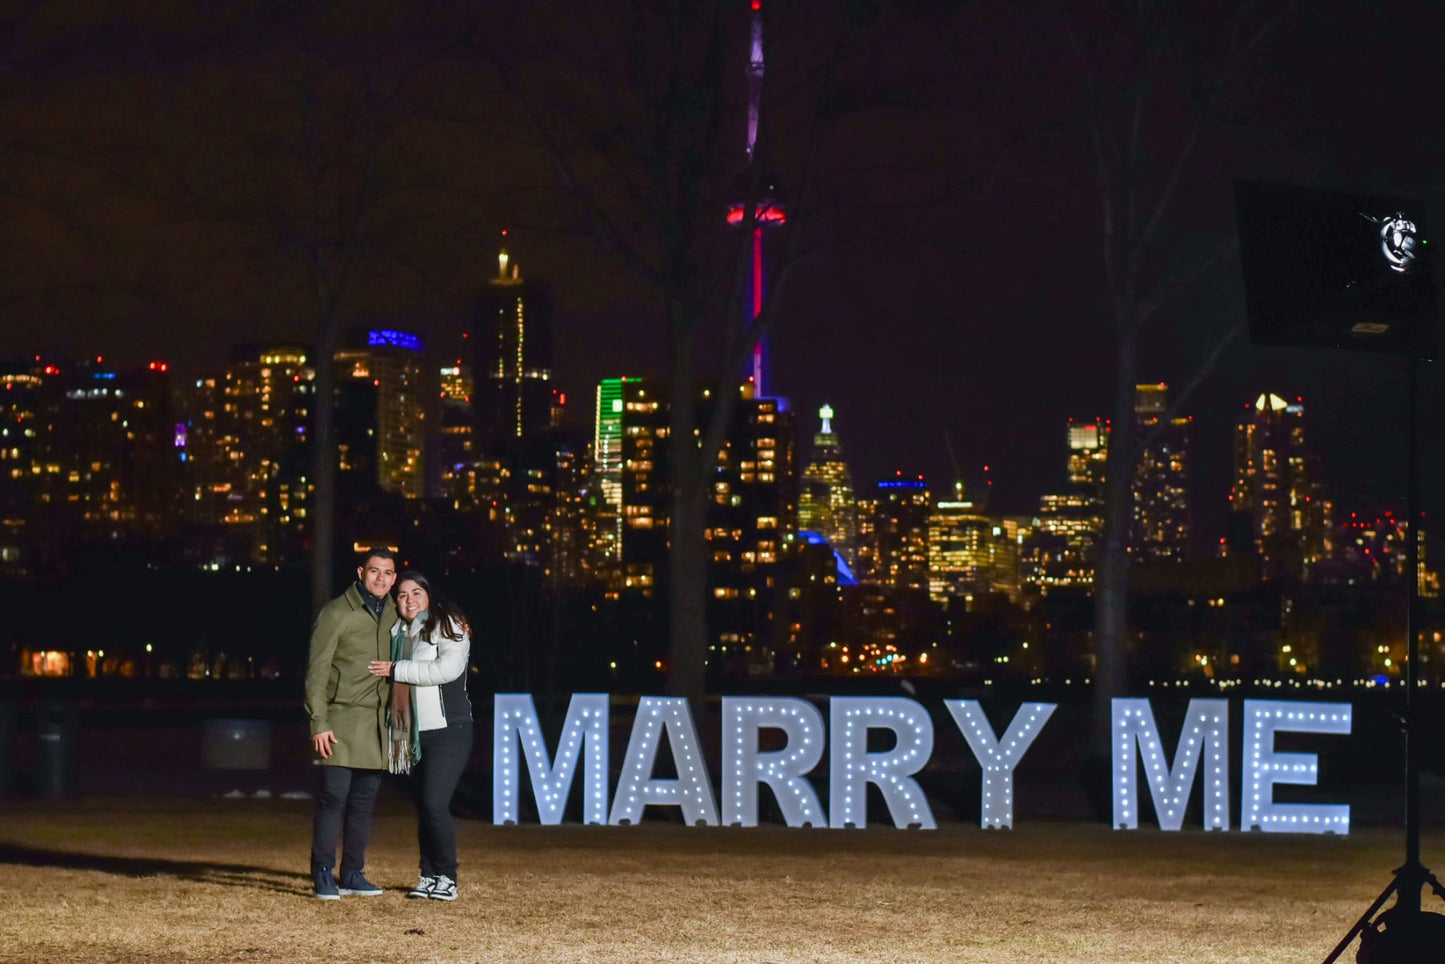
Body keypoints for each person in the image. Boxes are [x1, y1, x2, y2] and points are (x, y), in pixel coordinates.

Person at [369, 570, 473, 902]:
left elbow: (446, 670)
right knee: (424, 807)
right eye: (402, 594)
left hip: (449, 731)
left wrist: (397, 669)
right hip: (413, 734)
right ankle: (429, 875)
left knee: (434, 803)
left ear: (429, 595)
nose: (409, 599)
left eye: (416, 592)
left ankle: (448, 877)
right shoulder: (399, 632)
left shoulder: (448, 625)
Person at [304, 548, 399, 900]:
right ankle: (323, 872)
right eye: (375, 571)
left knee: (364, 802)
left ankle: (353, 873)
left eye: (388, 573)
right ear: (361, 572)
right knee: (333, 798)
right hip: (340, 720)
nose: (381, 579)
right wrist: (319, 722)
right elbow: (316, 673)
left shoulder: (394, 613)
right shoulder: (336, 612)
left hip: (376, 724)